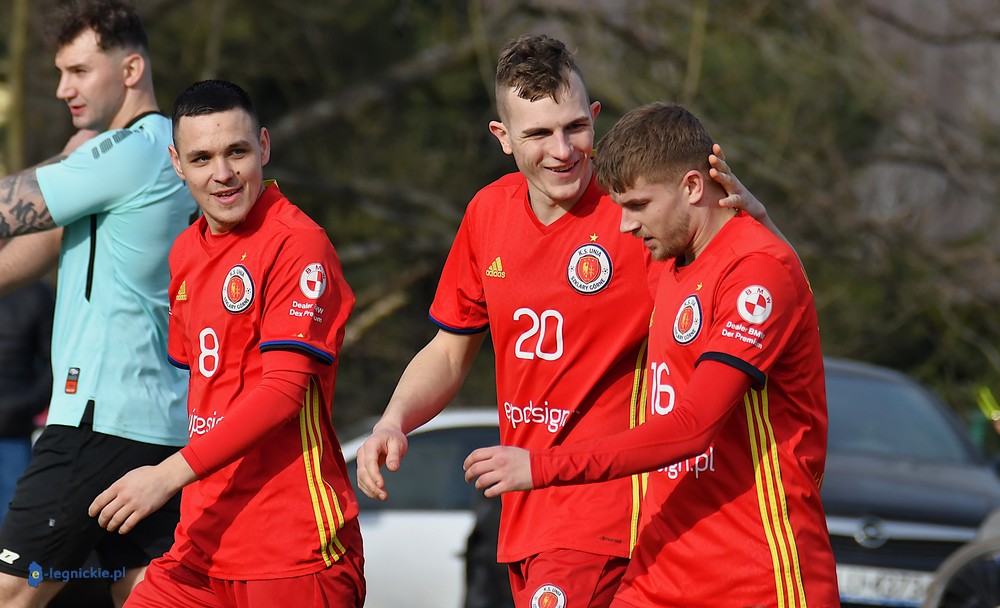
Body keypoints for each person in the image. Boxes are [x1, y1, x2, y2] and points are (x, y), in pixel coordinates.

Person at [355, 34, 779, 608]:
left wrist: (761, 222)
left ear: (595, 116)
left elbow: (748, 276)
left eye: (576, 127)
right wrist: (394, 420)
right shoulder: (487, 213)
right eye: (538, 134)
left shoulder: (636, 213)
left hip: (608, 514)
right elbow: (450, 352)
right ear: (502, 137)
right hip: (525, 512)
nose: (563, 150)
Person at [464, 102, 840, 607]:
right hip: (660, 571)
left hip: (756, 579)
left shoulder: (757, 270)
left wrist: (542, 466)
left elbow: (692, 427)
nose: (624, 225)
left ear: (692, 186)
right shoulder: (669, 264)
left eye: (638, 205)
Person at [88, 79, 365, 608]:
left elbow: (282, 393)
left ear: (263, 146)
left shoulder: (298, 243)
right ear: (177, 164)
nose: (222, 173)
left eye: (236, 152)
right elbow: (204, 397)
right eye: (202, 158)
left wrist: (165, 476)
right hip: (200, 545)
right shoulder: (184, 253)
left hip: (292, 550)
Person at [0, 2, 198, 606]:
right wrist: (71, 160)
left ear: (131, 69)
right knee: (141, 593)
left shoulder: (131, 150)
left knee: (12, 589)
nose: (64, 88)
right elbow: (40, 244)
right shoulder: (157, 151)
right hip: (158, 421)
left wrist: (68, 160)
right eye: (60, 73)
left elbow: (11, 206)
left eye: (80, 71)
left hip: (99, 418)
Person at [0, 272, 54, 522]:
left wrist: (26, 405)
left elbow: (53, 361)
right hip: (15, 422)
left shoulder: (36, 294)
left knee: (12, 516)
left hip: (13, 429)